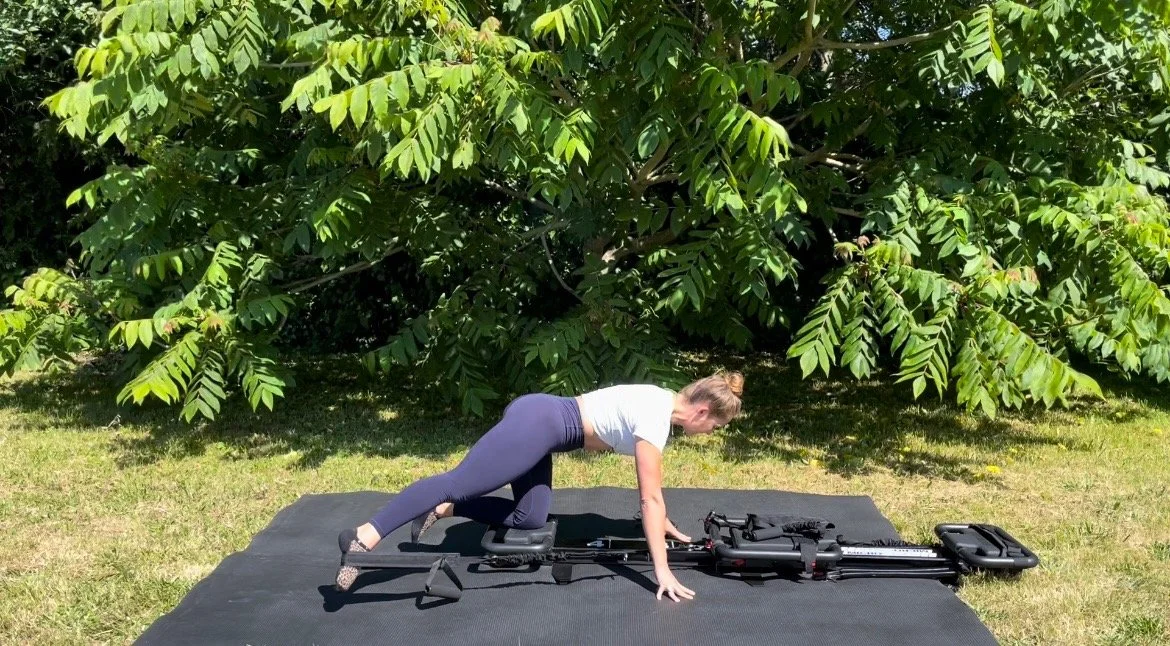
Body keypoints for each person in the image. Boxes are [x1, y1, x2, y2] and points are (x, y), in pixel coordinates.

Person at [334, 371, 745, 601]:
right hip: (540, 424)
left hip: (544, 425)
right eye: (716, 425)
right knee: (457, 483)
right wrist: (662, 570)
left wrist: (665, 522)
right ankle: (363, 537)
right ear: (702, 411)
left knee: (529, 519)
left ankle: (444, 510)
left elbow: (654, 497)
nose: (711, 433)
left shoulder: (661, 400)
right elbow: (649, 497)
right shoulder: (655, 418)